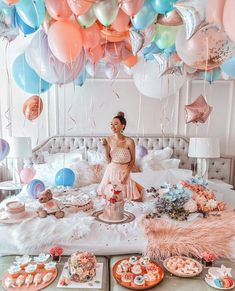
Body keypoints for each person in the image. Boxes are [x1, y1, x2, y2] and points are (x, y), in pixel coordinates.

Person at [97, 112, 143, 201]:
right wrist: (105, 147)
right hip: (112, 170)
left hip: (126, 170)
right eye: (111, 124)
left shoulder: (129, 141)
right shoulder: (108, 139)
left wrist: (126, 175)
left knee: (135, 198)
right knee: (110, 197)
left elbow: (133, 160)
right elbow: (109, 160)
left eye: (116, 124)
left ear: (123, 126)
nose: (112, 126)